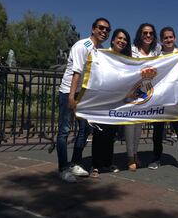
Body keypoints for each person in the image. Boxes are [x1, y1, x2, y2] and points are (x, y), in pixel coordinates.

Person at [56, 17, 111, 182]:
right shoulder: (83, 46)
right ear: (93, 29)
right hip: (69, 92)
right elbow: (77, 72)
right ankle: (63, 168)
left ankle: (75, 162)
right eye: (101, 28)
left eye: (107, 29)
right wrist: (72, 97)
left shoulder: (100, 49)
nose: (104, 31)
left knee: (85, 129)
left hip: (85, 95)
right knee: (64, 130)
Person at [148, 27, 178, 174]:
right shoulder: (158, 56)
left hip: (176, 100)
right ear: (162, 40)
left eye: (171, 37)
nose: (168, 40)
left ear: (175, 38)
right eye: (165, 38)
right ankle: (156, 158)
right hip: (160, 100)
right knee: (157, 132)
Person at [90, 28, 132, 177]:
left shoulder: (125, 59)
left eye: (125, 39)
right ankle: (96, 165)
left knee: (110, 134)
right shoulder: (103, 54)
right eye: (119, 38)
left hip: (117, 102)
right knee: (100, 133)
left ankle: (107, 163)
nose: (122, 41)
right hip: (101, 100)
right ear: (113, 40)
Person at [125, 23, 161, 171]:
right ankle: (129, 157)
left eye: (151, 33)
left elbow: (170, 56)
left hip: (146, 92)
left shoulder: (156, 49)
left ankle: (135, 153)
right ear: (140, 34)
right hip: (131, 91)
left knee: (139, 124)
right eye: (145, 33)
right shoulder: (132, 49)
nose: (148, 36)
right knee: (129, 124)